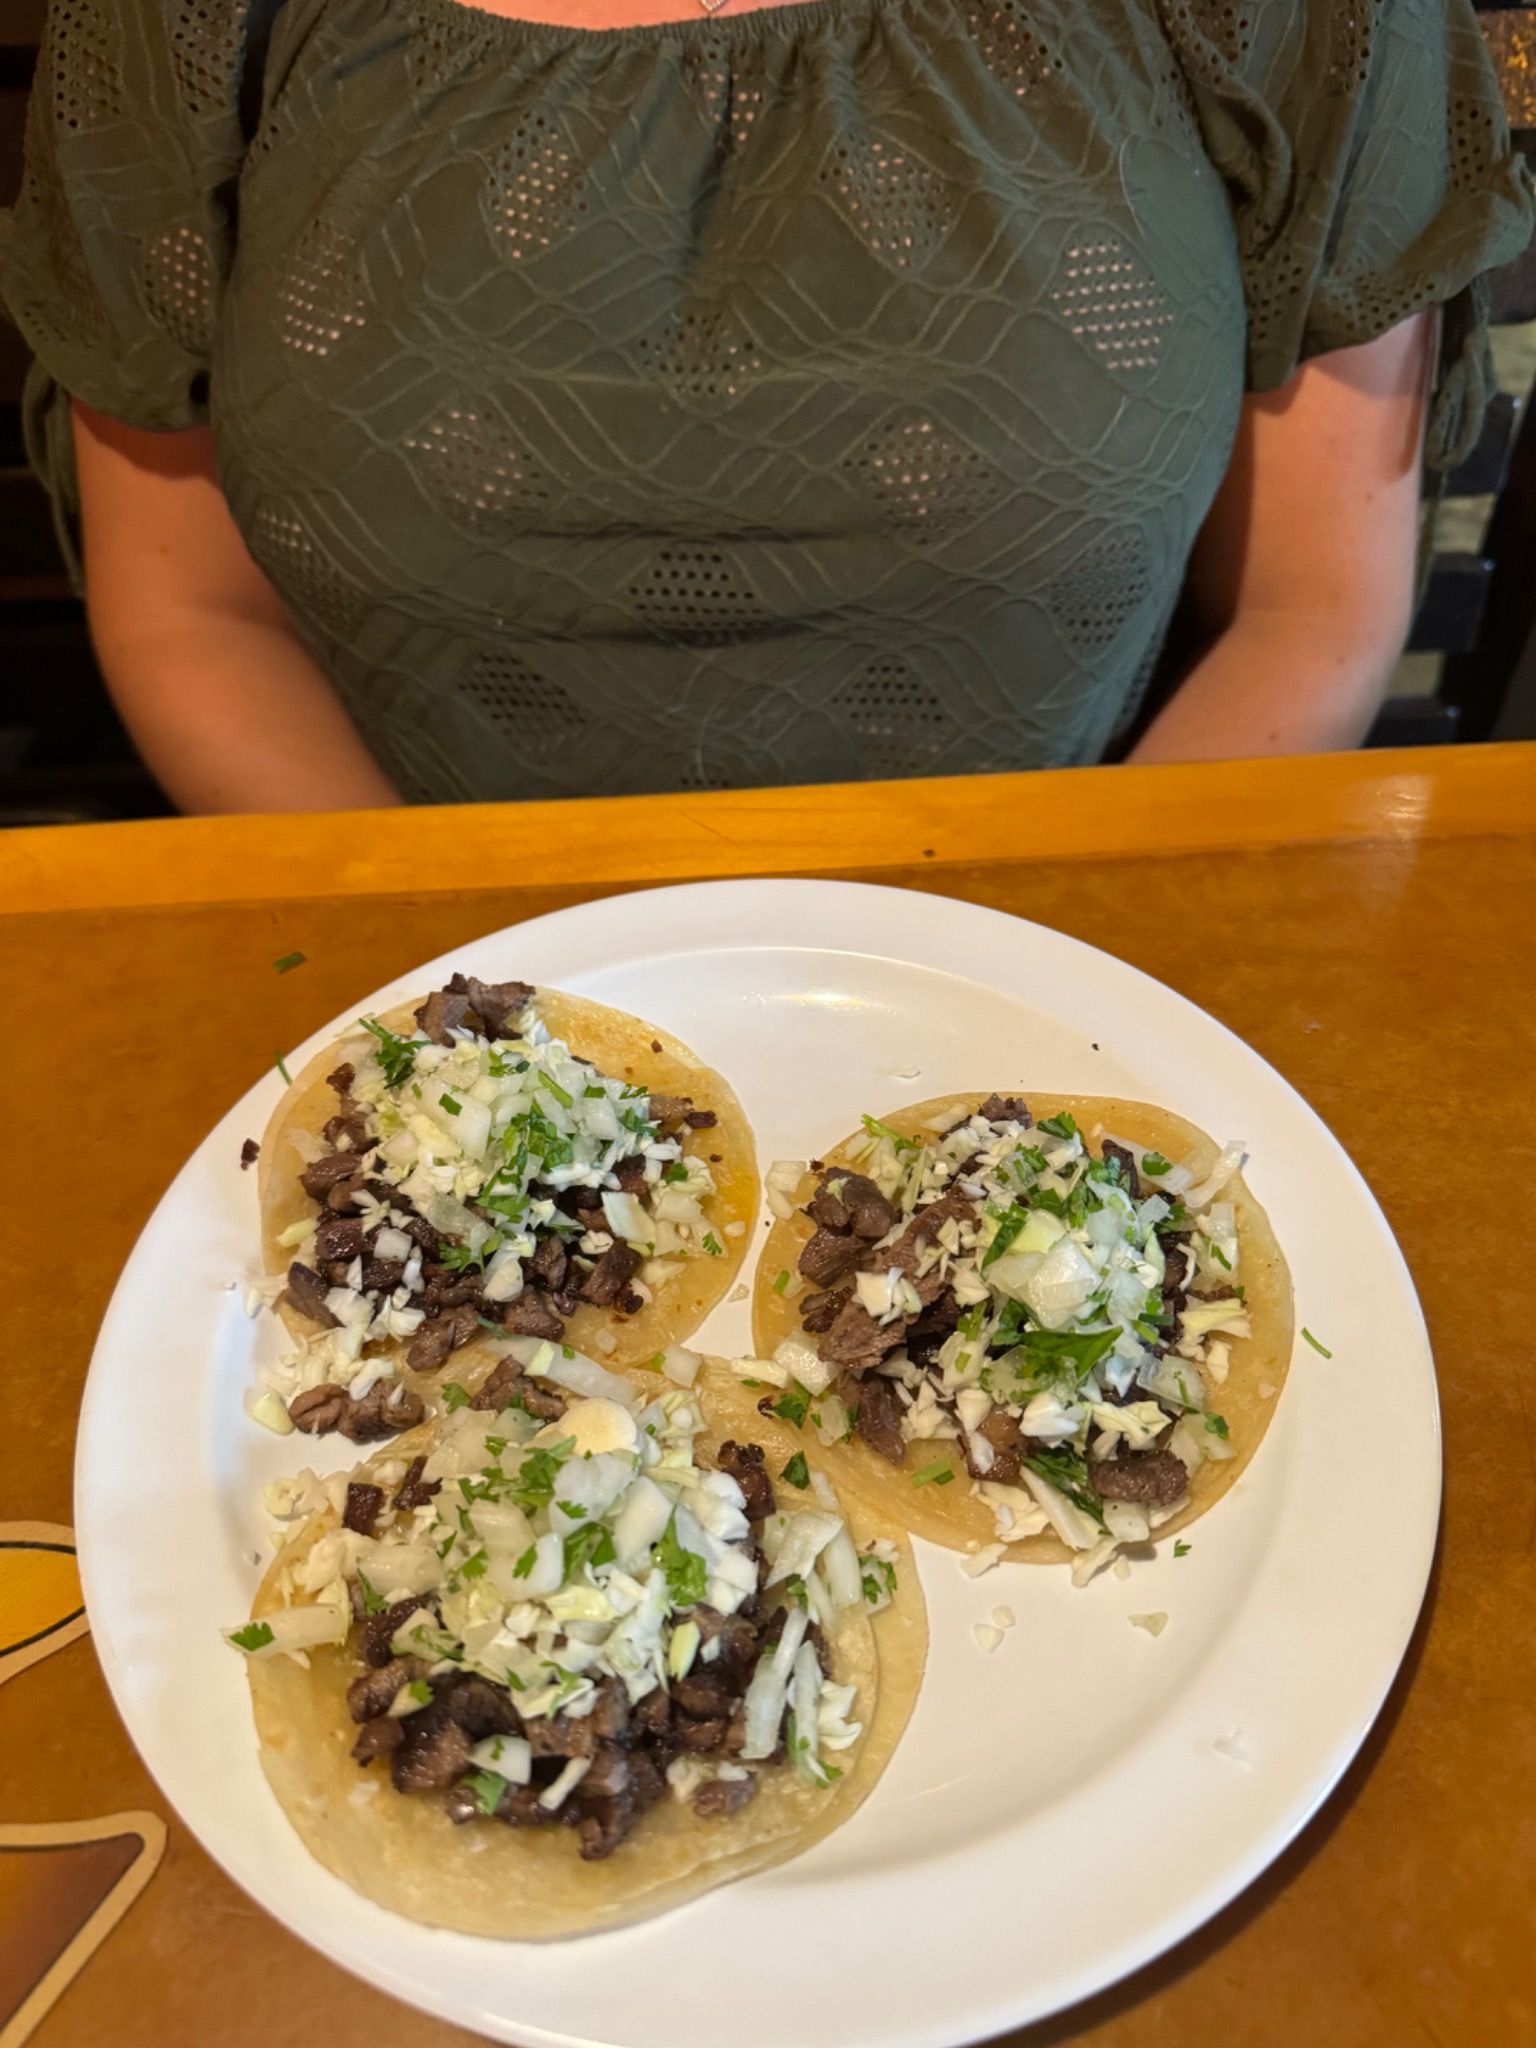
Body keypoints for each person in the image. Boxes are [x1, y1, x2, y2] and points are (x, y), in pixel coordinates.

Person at [3, 0, 1530, 813]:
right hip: (428, 1005)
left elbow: (1309, 603)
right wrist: (474, 1007)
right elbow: (189, 606)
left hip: (1071, 976)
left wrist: (1034, 995)